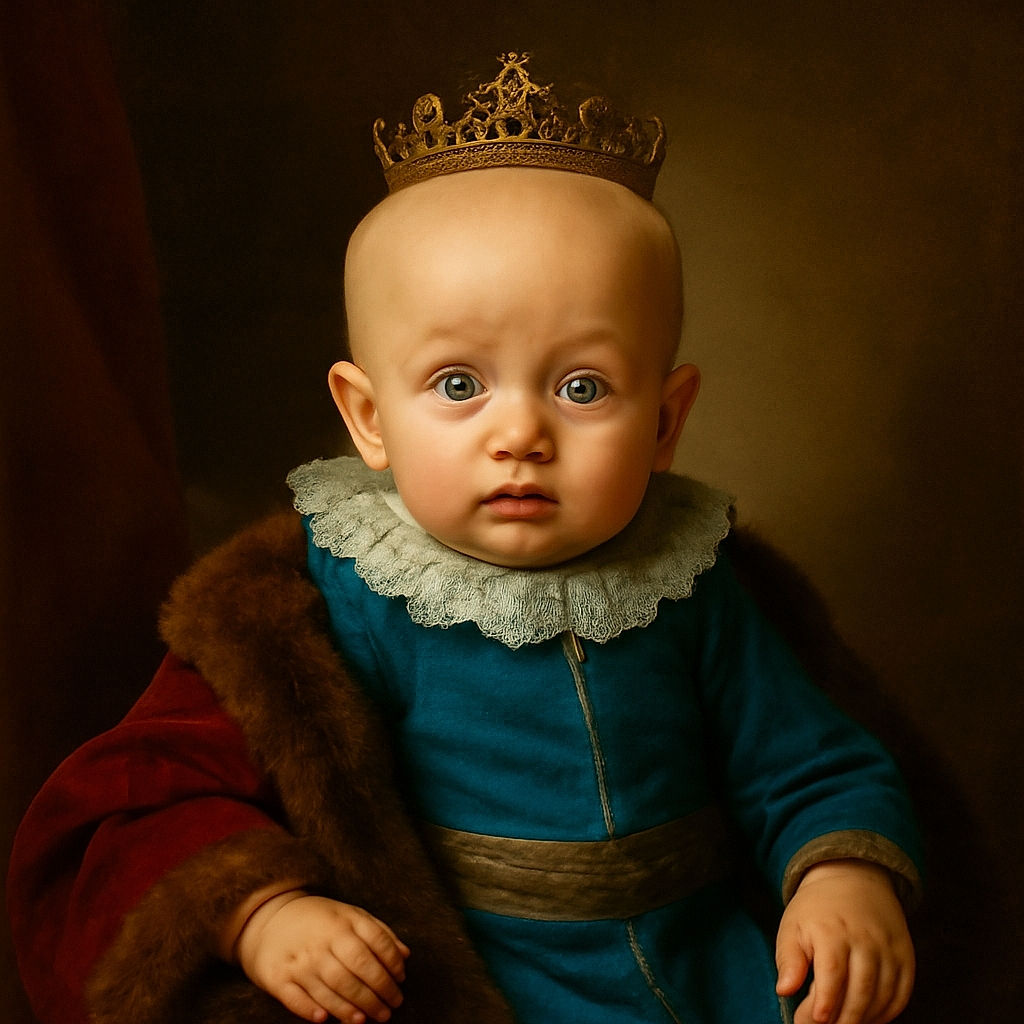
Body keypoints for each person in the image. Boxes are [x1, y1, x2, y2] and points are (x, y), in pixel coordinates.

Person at [8, 53, 921, 1024]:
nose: (519, 434)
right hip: (476, 979)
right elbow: (160, 792)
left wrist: (839, 872)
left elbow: (807, 760)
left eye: (581, 387)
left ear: (665, 419)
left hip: (706, 967)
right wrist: (264, 912)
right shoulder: (324, 599)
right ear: (367, 419)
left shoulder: (693, 583)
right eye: (457, 384)